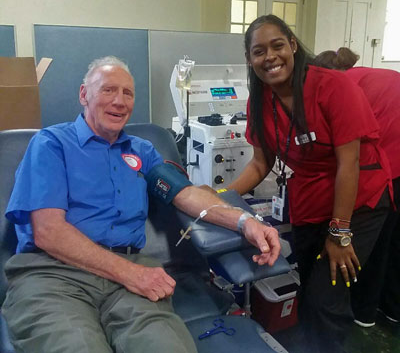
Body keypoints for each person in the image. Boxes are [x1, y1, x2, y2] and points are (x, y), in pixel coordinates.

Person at [2, 56, 281, 353]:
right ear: (84, 94)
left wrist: (244, 221)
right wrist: (130, 274)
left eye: (128, 93)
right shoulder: (52, 145)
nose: (120, 101)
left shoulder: (142, 150)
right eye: (108, 90)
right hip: (53, 275)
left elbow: (185, 194)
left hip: (127, 280)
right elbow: (48, 232)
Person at [227, 15, 392, 353]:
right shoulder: (259, 101)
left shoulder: (332, 86)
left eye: (277, 45)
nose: (270, 57)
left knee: (325, 295)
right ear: (249, 59)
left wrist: (340, 233)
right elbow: (261, 163)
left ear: (292, 45)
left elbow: (350, 163)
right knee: (308, 288)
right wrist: (219, 197)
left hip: (358, 199)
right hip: (311, 198)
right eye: (259, 51)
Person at [314, 47, 400, 326]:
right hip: (392, 156)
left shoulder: (343, 86)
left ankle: (363, 312)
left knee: (374, 241)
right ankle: (392, 308)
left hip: (390, 164)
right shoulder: (372, 75)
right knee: (396, 240)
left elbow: (348, 153)